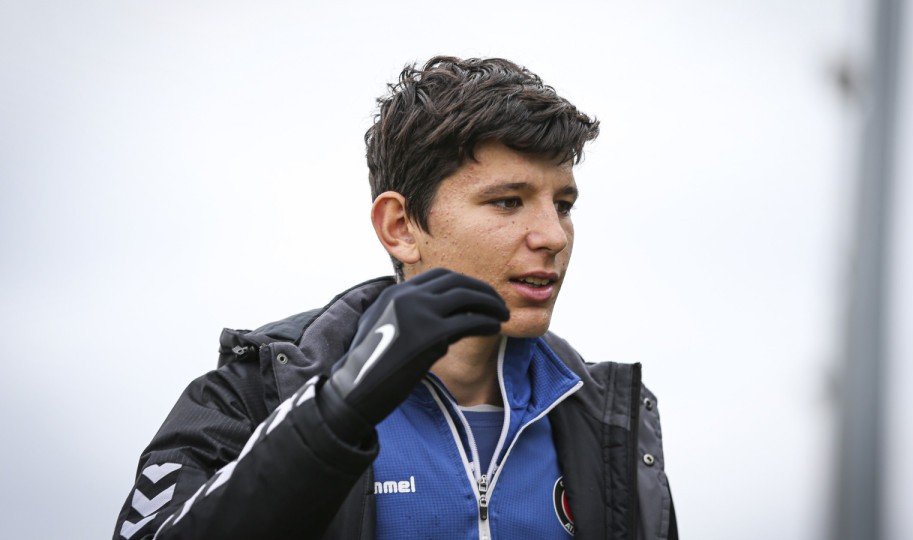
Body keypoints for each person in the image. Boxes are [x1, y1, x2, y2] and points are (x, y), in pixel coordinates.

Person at [114, 56, 677, 540]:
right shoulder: (253, 391)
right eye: (508, 201)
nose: (552, 236)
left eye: (564, 205)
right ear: (400, 227)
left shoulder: (610, 419)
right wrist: (338, 412)